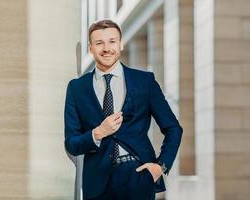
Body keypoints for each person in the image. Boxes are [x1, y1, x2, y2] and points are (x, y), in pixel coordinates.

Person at [64, 19, 183, 200]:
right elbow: (71, 143)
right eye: (99, 43)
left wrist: (161, 166)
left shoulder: (145, 81)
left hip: (138, 174)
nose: (106, 48)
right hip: (96, 182)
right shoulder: (76, 88)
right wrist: (97, 133)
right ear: (91, 48)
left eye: (112, 41)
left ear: (121, 44)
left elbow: (173, 128)